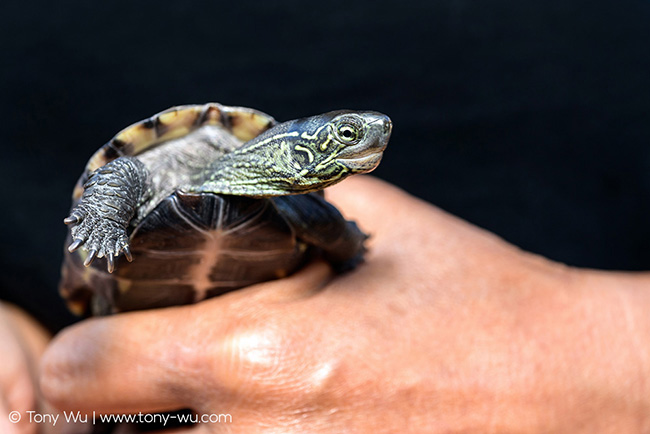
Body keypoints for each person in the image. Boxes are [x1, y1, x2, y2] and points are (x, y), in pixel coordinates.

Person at [3, 176, 649, 433]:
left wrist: (596, 353)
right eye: (343, 136)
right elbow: (126, 172)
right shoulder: (179, 170)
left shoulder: (290, 199)